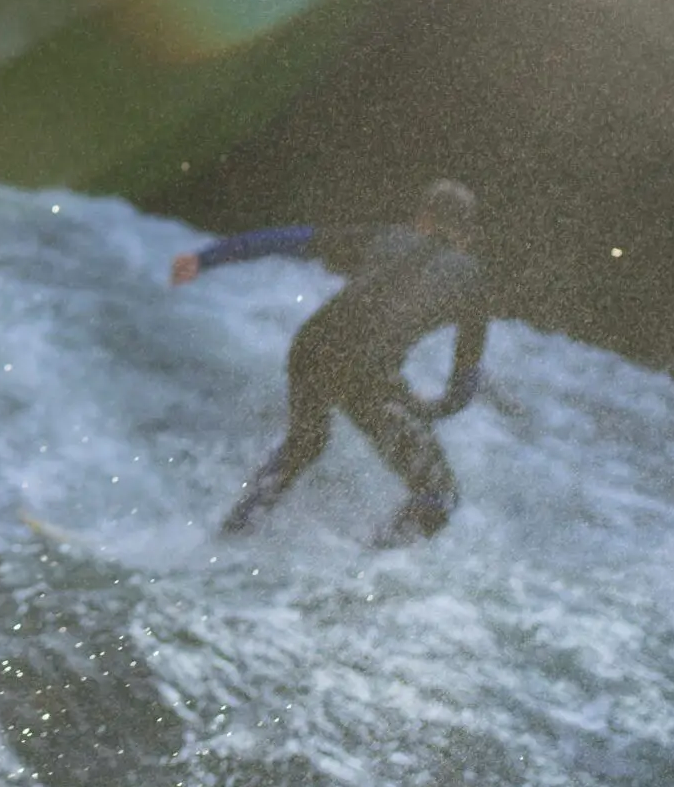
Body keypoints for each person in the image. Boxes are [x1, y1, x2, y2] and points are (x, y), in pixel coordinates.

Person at [171, 180, 487, 547]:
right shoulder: (472, 283)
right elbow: (462, 387)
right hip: (367, 376)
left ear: (423, 219)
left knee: (305, 443)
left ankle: (231, 535)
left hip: (313, 347)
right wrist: (424, 409)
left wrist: (205, 258)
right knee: (439, 494)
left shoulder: (383, 238)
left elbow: (290, 240)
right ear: (467, 234)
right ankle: (371, 568)